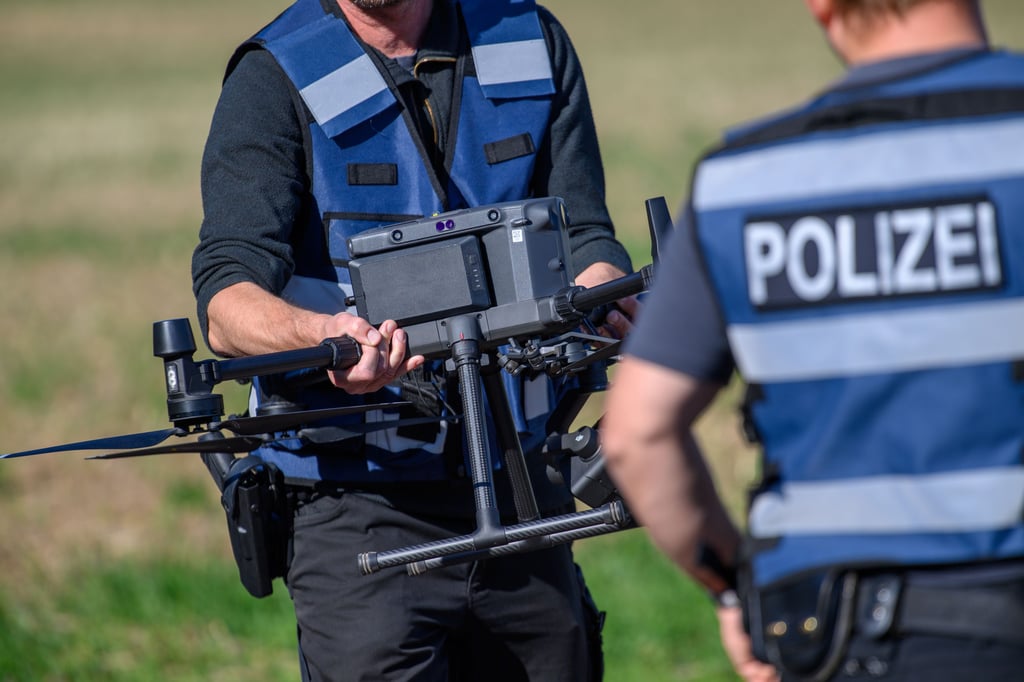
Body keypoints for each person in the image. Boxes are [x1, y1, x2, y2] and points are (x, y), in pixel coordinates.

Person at [192, 0, 638, 680]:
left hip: (520, 486)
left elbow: (582, 229)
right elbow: (226, 302)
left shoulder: (528, 38)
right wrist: (329, 337)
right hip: (359, 504)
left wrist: (603, 289)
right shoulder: (275, 73)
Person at [602, 1, 1024, 680]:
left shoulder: (743, 181)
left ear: (821, 7)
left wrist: (736, 591)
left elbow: (636, 434)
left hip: (833, 639)